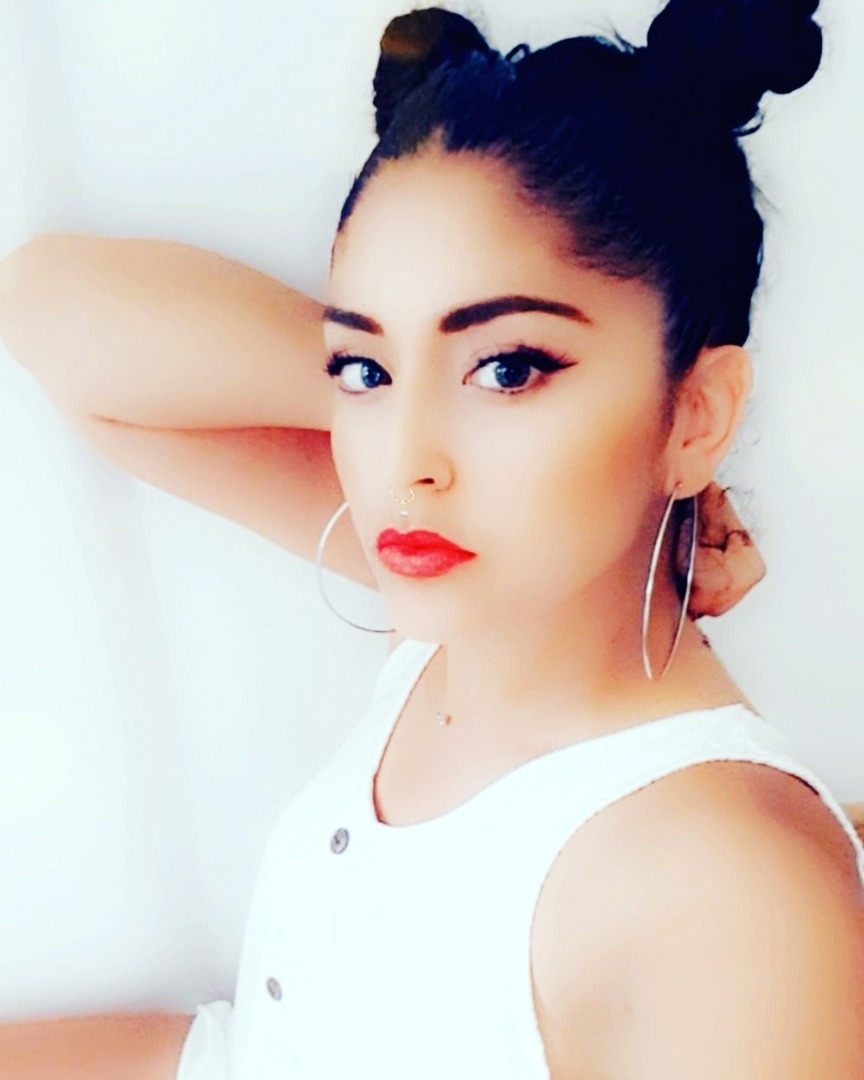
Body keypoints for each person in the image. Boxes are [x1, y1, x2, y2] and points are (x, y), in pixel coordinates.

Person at [1, 0, 863, 1077]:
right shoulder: (473, 605)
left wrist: (408, 383)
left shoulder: (723, 887)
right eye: (360, 366)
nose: (406, 463)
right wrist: (401, 383)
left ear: (698, 411)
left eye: (508, 367)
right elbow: (46, 310)